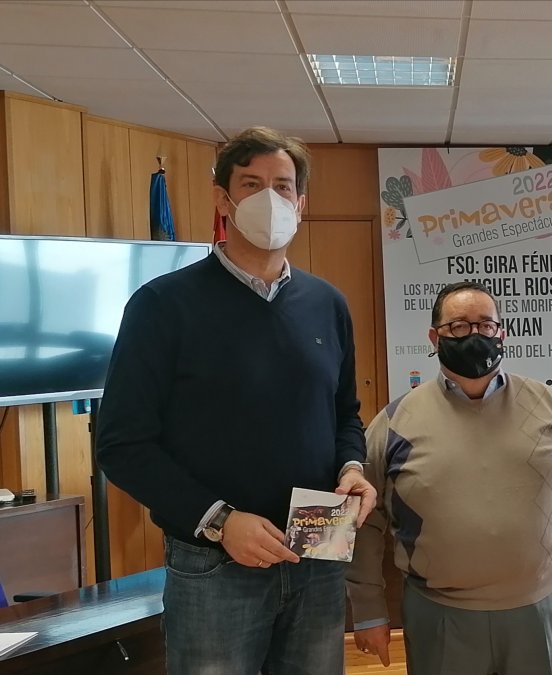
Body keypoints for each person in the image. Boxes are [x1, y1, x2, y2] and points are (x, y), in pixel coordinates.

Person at [96, 126, 376, 675]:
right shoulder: (162, 306)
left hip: (317, 549)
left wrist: (352, 467)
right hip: (214, 564)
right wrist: (221, 521)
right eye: (252, 184)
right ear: (223, 198)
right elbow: (122, 444)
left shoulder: (327, 304)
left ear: (301, 202)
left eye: (283, 185)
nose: (270, 199)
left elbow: (344, 413)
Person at [347, 281, 552, 675]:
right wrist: (368, 610)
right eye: (458, 326)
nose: (474, 335)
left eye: (485, 325)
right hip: (439, 615)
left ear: (502, 333)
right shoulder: (395, 422)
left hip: (538, 608)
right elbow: (363, 521)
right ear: (434, 337)